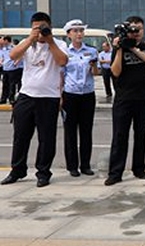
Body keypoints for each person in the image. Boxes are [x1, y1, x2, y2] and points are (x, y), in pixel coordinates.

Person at [1, 12, 68, 188]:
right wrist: (30, 38)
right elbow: (13, 56)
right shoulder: (27, 44)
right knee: (20, 136)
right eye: (36, 28)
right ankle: (17, 170)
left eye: (43, 27)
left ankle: (43, 172)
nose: (40, 32)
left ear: (50, 27)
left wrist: (50, 40)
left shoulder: (59, 44)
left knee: (46, 138)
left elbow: (62, 61)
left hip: (49, 98)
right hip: (26, 95)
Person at [104, 15, 145, 186]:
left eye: (138, 29)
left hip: (143, 98)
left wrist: (134, 49)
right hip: (123, 99)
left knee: (140, 136)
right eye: (132, 29)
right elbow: (115, 71)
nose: (135, 33)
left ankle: (139, 168)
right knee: (120, 136)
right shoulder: (118, 47)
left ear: (143, 31)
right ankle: (115, 173)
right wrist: (120, 48)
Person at [61, 19, 99, 178]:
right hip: (70, 95)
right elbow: (61, 75)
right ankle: (72, 166)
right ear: (69, 34)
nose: (79, 34)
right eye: (75, 31)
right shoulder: (65, 53)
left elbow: (96, 73)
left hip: (87, 94)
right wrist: (60, 96)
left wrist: (94, 66)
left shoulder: (91, 51)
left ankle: (85, 164)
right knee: (70, 132)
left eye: (81, 30)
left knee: (86, 131)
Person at [0, 36, 24, 104]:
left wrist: (16, 62)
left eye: (3, 41)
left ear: (7, 41)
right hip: (5, 68)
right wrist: (2, 62)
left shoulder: (14, 48)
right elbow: (2, 57)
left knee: (12, 84)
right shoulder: (3, 49)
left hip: (13, 69)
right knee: (5, 84)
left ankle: (11, 98)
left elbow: (20, 55)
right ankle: (3, 99)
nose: (2, 42)